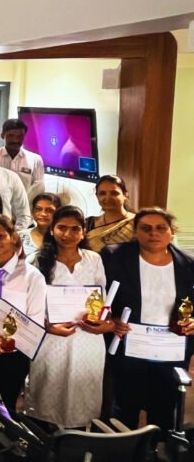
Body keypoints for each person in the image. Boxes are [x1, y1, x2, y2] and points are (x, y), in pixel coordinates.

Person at [103, 207, 194, 432]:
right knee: (124, 405)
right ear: (135, 232)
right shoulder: (114, 256)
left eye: (161, 228)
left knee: (165, 406)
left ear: (172, 231)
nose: (154, 233)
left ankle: (157, 447)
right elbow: (99, 293)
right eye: (146, 228)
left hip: (170, 347)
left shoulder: (188, 264)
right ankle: (122, 447)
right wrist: (111, 319)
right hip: (129, 343)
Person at [24, 206, 112, 429]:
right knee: (48, 393)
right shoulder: (37, 260)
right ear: (52, 230)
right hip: (51, 338)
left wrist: (101, 321)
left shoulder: (93, 259)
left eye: (75, 229)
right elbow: (27, 305)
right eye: (62, 228)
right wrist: (47, 326)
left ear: (83, 232)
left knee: (82, 395)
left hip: (87, 338)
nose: (68, 234)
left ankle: (76, 440)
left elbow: (102, 298)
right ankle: (45, 442)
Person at [0, 213, 47, 432]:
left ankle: (6, 449)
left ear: (13, 236)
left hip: (14, 352)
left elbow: (35, 319)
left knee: (8, 409)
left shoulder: (32, 276)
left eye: (0, 236)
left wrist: (9, 342)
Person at [85, 175, 135, 253]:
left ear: (125, 195)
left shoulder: (136, 222)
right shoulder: (88, 223)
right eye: (102, 193)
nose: (108, 198)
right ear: (97, 196)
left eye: (114, 193)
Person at [0, 118, 45, 194]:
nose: (15, 140)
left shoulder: (35, 160)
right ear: (2, 135)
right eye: (11, 135)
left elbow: (39, 189)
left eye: (20, 136)